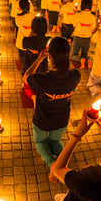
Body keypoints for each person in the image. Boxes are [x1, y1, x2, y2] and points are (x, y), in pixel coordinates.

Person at [23, 37, 80, 174]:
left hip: (42, 120)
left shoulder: (42, 79)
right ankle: (63, 165)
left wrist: (38, 59)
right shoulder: (75, 76)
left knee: (40, 142)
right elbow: (70, 68)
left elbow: (26, 77)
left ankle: (52, 163)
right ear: (67, 55)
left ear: (49, 55)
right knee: (55, 140)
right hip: (62, 120)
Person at [22, 16, 51, 102]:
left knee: (27, 87)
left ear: (32, 28)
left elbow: (24, 46)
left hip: (28, 69)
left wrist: (31, 33)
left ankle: (33, 96)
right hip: (42, 70)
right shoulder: (49, 40)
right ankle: (40, 94)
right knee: (40, 86)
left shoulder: (26, 40)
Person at [70, 0, 97, 69]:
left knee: (73, 55)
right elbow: (93, 29)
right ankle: (88, 60)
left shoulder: (78, 15)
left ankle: (81, 60)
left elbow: (74, 26)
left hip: (78, 37)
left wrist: (75, 13)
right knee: (84, 54)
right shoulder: (93, 17)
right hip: (87, 38)